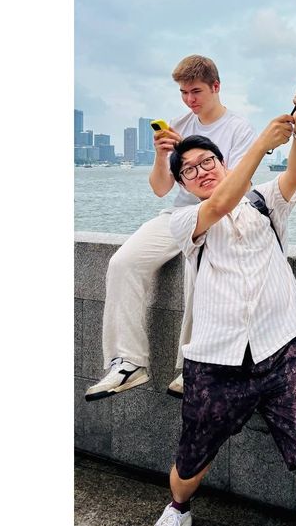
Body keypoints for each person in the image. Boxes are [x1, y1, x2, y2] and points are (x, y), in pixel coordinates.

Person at [154, 83, 296, 526]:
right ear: (183, 184)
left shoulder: (263, 201)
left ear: (223, 163)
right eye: (190, 170)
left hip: (286, 350)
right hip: (216, 360)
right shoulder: (184, 220)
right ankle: (178, 506)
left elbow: (295, 174)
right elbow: (219, 204)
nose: (201, 171)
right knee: (191, 462)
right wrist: (261, 144)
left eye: (208, 161)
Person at [85, 55, 256, 402]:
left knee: (197, 268)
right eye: (183, 93)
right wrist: (161, 156)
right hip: (178, 213)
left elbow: (239, 185)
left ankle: (192, 365)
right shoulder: (179, 124)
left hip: (219, 213)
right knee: (123, 263)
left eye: (196, 91)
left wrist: (197, 165)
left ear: (215, 87)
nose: (189, 100)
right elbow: (161, 189)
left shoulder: (239, 129)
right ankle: (128, 362)